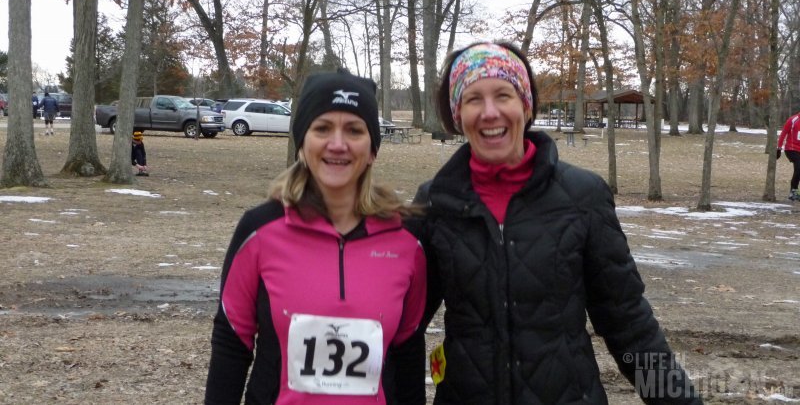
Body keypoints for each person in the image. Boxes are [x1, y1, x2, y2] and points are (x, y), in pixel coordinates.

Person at [411, 41, 702, 404]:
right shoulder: (435, 202)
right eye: (473, 99)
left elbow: (628, 325)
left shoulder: (583, 196)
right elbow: (404, 327)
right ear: (457, 115)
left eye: (503, 95)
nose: (489, 112)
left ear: (526, 105)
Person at [204, 70, 427, 405]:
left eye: (354, 130)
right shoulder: (259, 231)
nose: (337, 144)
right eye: (322, 128)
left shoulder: (406, 241)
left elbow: (408, 351)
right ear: (302, 143)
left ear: (372, 150)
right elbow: (231, 344)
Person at [777, 109, 800, 201]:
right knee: (799, 167)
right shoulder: (793, 120)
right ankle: (793, 191)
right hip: (791, 149)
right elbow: (783, 133)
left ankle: (795, 192)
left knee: (798, 170)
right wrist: (779, 148)